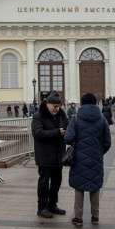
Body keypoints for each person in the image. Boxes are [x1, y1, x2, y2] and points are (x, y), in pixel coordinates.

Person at [64, 92, 111, 227]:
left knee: (79, 187)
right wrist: (99, 152)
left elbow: (68, 138)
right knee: (95, 186)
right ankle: (95, 216)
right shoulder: (102, 120)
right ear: (96, 103)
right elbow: (107, 142)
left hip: (79, 158)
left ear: (82, 103)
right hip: (96, 158)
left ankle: (78, 218)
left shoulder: (76, 119)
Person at [31, 91, 68, 219]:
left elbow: (68, 128)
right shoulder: (38, 116)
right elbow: (38, 134)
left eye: (59, 106)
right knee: (44, 182)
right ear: (47, 104)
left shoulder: (62, 115)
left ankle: (52, 205)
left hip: (58, 155)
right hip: (45, 155)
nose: (57, 108)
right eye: (54, 106)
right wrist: (57, 132)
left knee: (57, 181)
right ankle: (42, 207)